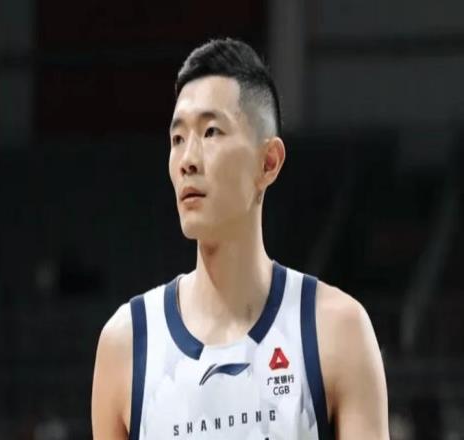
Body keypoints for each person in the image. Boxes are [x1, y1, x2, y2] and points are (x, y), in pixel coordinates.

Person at [91, 38, 389, 439]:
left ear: (268, 162)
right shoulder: (126, 344)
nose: (187, 160)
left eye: (210, 132)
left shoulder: (336, 330)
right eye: (177, 139)